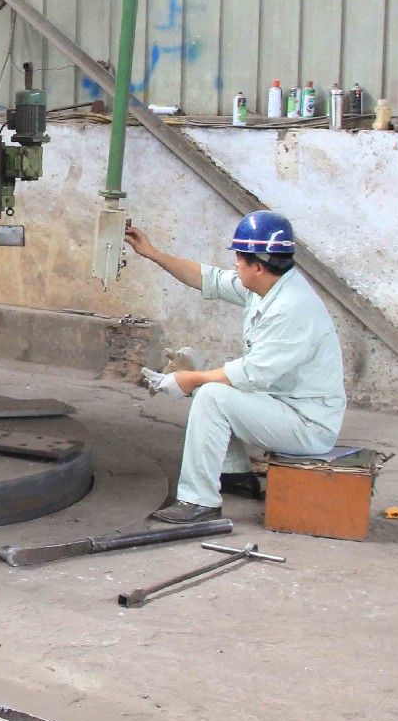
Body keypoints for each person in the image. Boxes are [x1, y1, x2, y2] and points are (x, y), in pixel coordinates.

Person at [123, 210, 346, 524]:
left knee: (212, 395)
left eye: (239, 259)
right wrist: (152, 253)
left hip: (307, 424)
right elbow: (208, 278)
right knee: (212, 384)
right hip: (282, 403)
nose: (235, 264)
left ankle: (198, 502)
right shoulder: (270, 285)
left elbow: (251, 374)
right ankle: (236, 475)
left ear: (258, 266)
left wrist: (188, 379)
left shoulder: (290, 309)